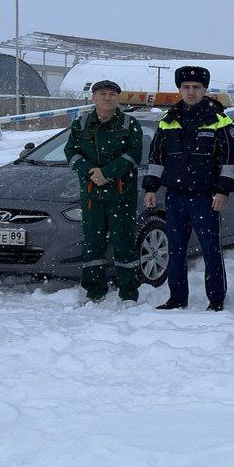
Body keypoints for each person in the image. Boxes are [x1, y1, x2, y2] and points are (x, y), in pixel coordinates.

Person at [142, 66, 234, 311]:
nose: (191, 91)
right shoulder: (168, 120)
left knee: (210, 249)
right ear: (179, 89)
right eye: (186, 87)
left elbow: (229, 159)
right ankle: (177, 297)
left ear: (205, 90)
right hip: (175, 196)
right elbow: (156, 157)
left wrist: (223, 190)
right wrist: (151, 188)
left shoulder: (219, 119)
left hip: (205, 197)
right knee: (175, 249)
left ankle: (216, 299)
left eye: (196, 87)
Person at [64, 79, 144, 305]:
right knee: (92, 243)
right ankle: (94, 291)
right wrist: (90, 172)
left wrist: (107, 173)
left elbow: (134, 154)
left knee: (124, 243)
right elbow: (71, 151)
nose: (107, 98)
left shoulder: (129, 123)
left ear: (118, 98)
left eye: (112, 94)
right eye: (102, 94)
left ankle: (128, 293)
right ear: (93, 98)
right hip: (92, 196)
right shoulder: (81, 124)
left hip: (121, 195)